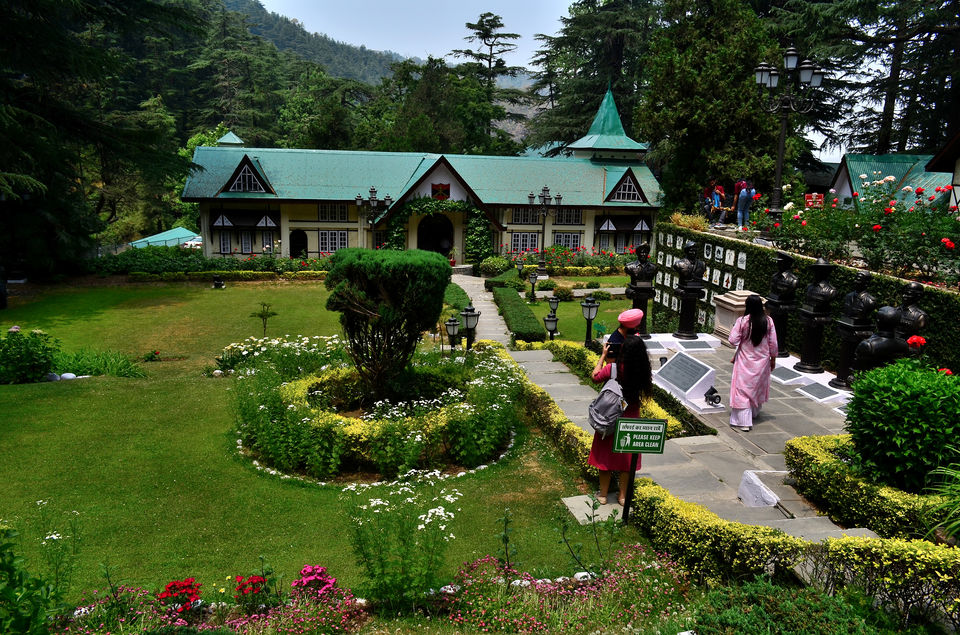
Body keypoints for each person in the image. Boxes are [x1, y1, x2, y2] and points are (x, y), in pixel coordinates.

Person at [590, 333, 653, 505]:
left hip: (610, 417)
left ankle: (603, 495)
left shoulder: (613, 368)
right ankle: (623, 496)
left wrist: (603, 356)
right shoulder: (643, 372)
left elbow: (595, 377)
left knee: (606, 455)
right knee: (626, 459)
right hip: (631, 417)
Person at [728, 294, 778, 431]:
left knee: (742, 390)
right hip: (762, 361)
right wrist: (773, 359)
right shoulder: (768, 321)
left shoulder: (742, 321)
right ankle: (754, 412)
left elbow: (732, 340)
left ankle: (744, 421)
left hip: (745, 360)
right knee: (756, 387)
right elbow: (773, 343)